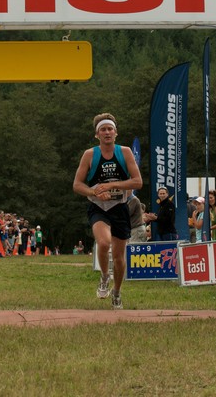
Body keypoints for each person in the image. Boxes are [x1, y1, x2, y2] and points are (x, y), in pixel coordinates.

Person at [73, 112, 142, 310]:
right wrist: (94, 191)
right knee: (103, 243)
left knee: (120, 258)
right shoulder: (90, 154)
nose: (107, 132)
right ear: (97, 135)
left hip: (120, 207)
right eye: (103, 129)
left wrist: (116, 186)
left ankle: (117, 292)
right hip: (98, 207)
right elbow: (77, 185)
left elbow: (138, 181)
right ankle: (104, 277)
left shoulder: (125, 152)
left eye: (110, 129)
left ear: (115, 133)